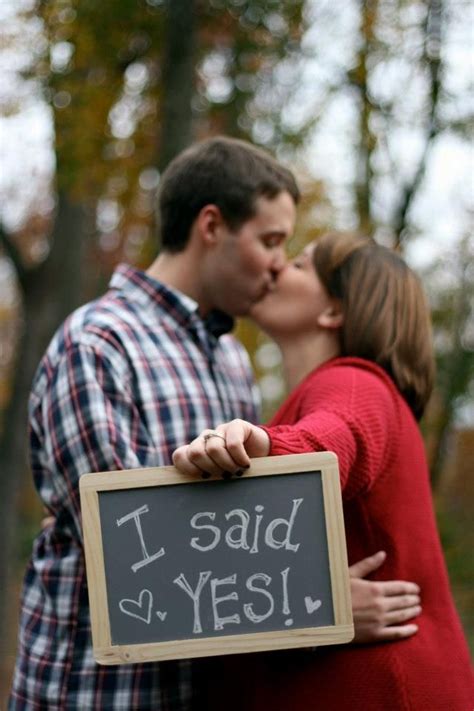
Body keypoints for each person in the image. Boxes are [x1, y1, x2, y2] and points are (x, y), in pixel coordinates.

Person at [9, 139, 420, 711]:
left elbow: (243, 531)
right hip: (100, 692)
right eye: (270, 240)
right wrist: (318, 601)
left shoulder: (233, 362)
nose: (279, 263)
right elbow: (123, 549)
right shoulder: (100, 342)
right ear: (211, 225)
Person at [173, 232, 473, 710]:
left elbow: (335, 442)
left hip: (390, 690)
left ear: (333, 311)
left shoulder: (355, 382)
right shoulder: (310, 396)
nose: (274, 269)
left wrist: (266, 445)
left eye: (297, 264)